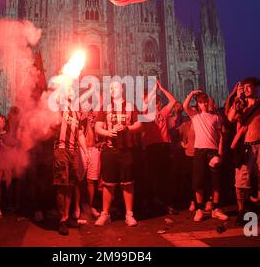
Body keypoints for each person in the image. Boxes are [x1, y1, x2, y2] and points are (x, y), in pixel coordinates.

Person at [94, 80, 143, 227]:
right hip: (109, 149)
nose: (112, 90)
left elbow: (139, 125)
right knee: (108, 183)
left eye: (114, 87)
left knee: (127, 183)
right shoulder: (106, 107)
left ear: (121, 88)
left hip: (126, 149)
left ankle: (129, 214)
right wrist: (109, 132)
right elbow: (97, 127)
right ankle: (105, 214)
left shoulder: (130, 106)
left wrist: (127, 128)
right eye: (110, 88)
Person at [227, 77, 260, 225]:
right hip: (245, 147)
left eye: (248, 87)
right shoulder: (241, 104)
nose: (245, 89)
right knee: (241, 182)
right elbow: (230, 118)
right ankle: (242, 212)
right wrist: (237, 98)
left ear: (256, 88)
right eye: (243, 87)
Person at [183, 90, 228, 222]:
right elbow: (185, 106)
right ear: (199, 104)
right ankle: (199, 209)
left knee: (216, 182)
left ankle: (216, 209)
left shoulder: (216, 118)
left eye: (206, 102)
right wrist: (191, 93)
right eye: (201, 102)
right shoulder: (195, 116)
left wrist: (220, 153)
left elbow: (221, 137)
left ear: (209, 103)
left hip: (212, 151)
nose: (204, 104)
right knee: (198, 182)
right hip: (199, 151)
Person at [53, 85, 89, 235]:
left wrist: (85, 152)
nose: (71, 91)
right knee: (62, 185)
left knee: (71, 185)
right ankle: (62, 219)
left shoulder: (76, 112)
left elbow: (80, 134)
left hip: (73, 151)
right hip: (61, 149)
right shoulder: (59, 107)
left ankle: (67, 217)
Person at [141, 79, 177, 214]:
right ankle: (150, 204)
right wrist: (152, 90)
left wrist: (161, 89)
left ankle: (167, 203)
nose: (155, 104)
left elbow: (173, 101)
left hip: (164, 145)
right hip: (151, 146)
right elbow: (144, 103)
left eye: (156, 102)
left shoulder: (163, 112)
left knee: (165, 176)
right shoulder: (145, 113)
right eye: (154, 102)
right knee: (151, 176)